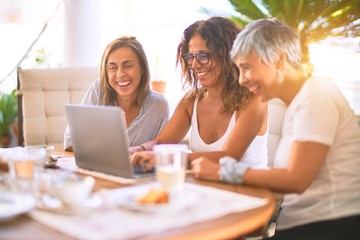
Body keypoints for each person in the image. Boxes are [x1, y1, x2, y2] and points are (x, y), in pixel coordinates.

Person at [192, 18, 360, 239]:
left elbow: (296, 179)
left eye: (246, 67)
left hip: (326, 227)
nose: (241, 79)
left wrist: (223, 171)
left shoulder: (317, 96)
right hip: (302, 225)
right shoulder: (298, 103)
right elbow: (284, 184)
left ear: (279, 60)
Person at [131, 16, 268, 172]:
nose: (195, 65)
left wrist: (169, 158)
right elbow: (162, 144)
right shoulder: (191, 101)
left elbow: (228, 156)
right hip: (206, 188)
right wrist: (137, 150)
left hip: (251, 193)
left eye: (203, 56)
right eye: (191, 57)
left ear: (228, 55)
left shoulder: (253, 99)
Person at [64, 36, 169, 151]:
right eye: (113, 68)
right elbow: (70, 141)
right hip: (96, 168)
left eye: (128, 66)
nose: (120, 74)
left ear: (142, 69)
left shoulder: (158, 105)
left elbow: (163, 150)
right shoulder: (98, 90)